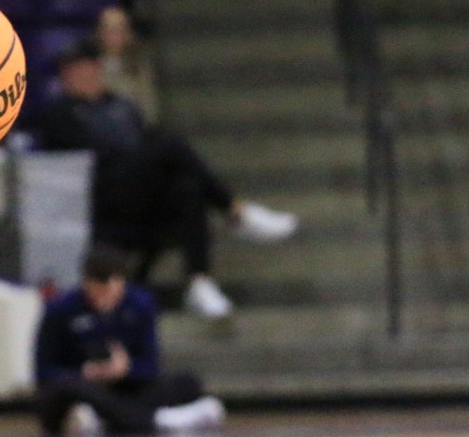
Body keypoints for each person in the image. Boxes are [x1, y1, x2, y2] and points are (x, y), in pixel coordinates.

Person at [37, 41, 297, 319]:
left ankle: (199, 281)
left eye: (81, 68)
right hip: (100, 195)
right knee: (172, 146)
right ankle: (236, 213)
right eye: (69, 71)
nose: (76, 75)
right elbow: (91, 154)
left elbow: (141, 139)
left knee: (188, 188)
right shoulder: (59, 113)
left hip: (142, 193)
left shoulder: (122, 106)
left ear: (96, 68)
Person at [34, 245, 222, 437]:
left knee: (187, 382)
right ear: (86, 283)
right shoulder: (59, 309)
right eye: (98, 292)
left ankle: (108, 419)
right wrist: (84, 372)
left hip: (124, 389)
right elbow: (43, 372)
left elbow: (151, 365)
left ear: (122, 283)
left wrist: (126, 370)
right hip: (82, 389)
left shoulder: (140, 304)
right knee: (68, 389)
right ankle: (158, 420)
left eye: (110, 292)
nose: (104, 299)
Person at [96, 6, 160, 123]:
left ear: (128, 34)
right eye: (106, 28)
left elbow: (150, 111)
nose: (111, 35)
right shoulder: (87, 66)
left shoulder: (141, 69)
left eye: (118, 29)